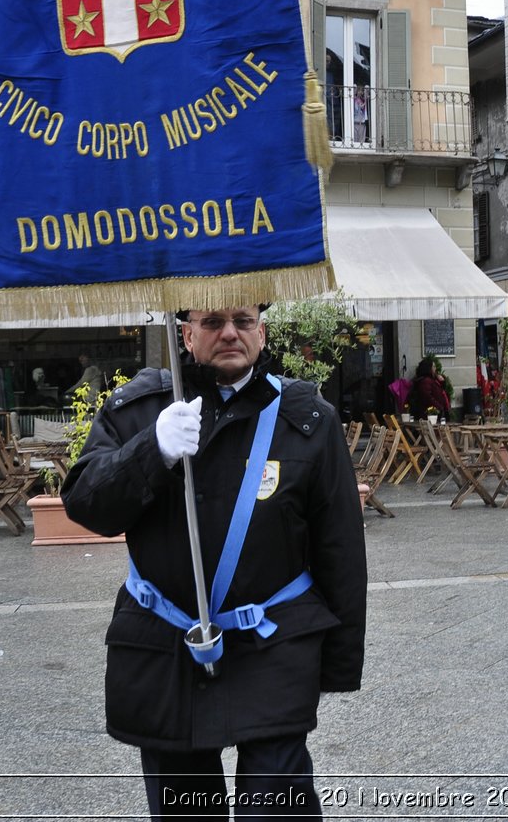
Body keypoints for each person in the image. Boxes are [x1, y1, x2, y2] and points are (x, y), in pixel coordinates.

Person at [63, 304, 367, 817]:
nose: (230, 333)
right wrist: (151, 449)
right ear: (186, 335)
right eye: (212, 323)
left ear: (262, 333)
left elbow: (339, 549)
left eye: (243, 322)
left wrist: (337, 663)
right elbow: (85, 504)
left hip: (273, 648)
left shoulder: (307, 418)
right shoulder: (140, 409)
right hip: (167, 649)